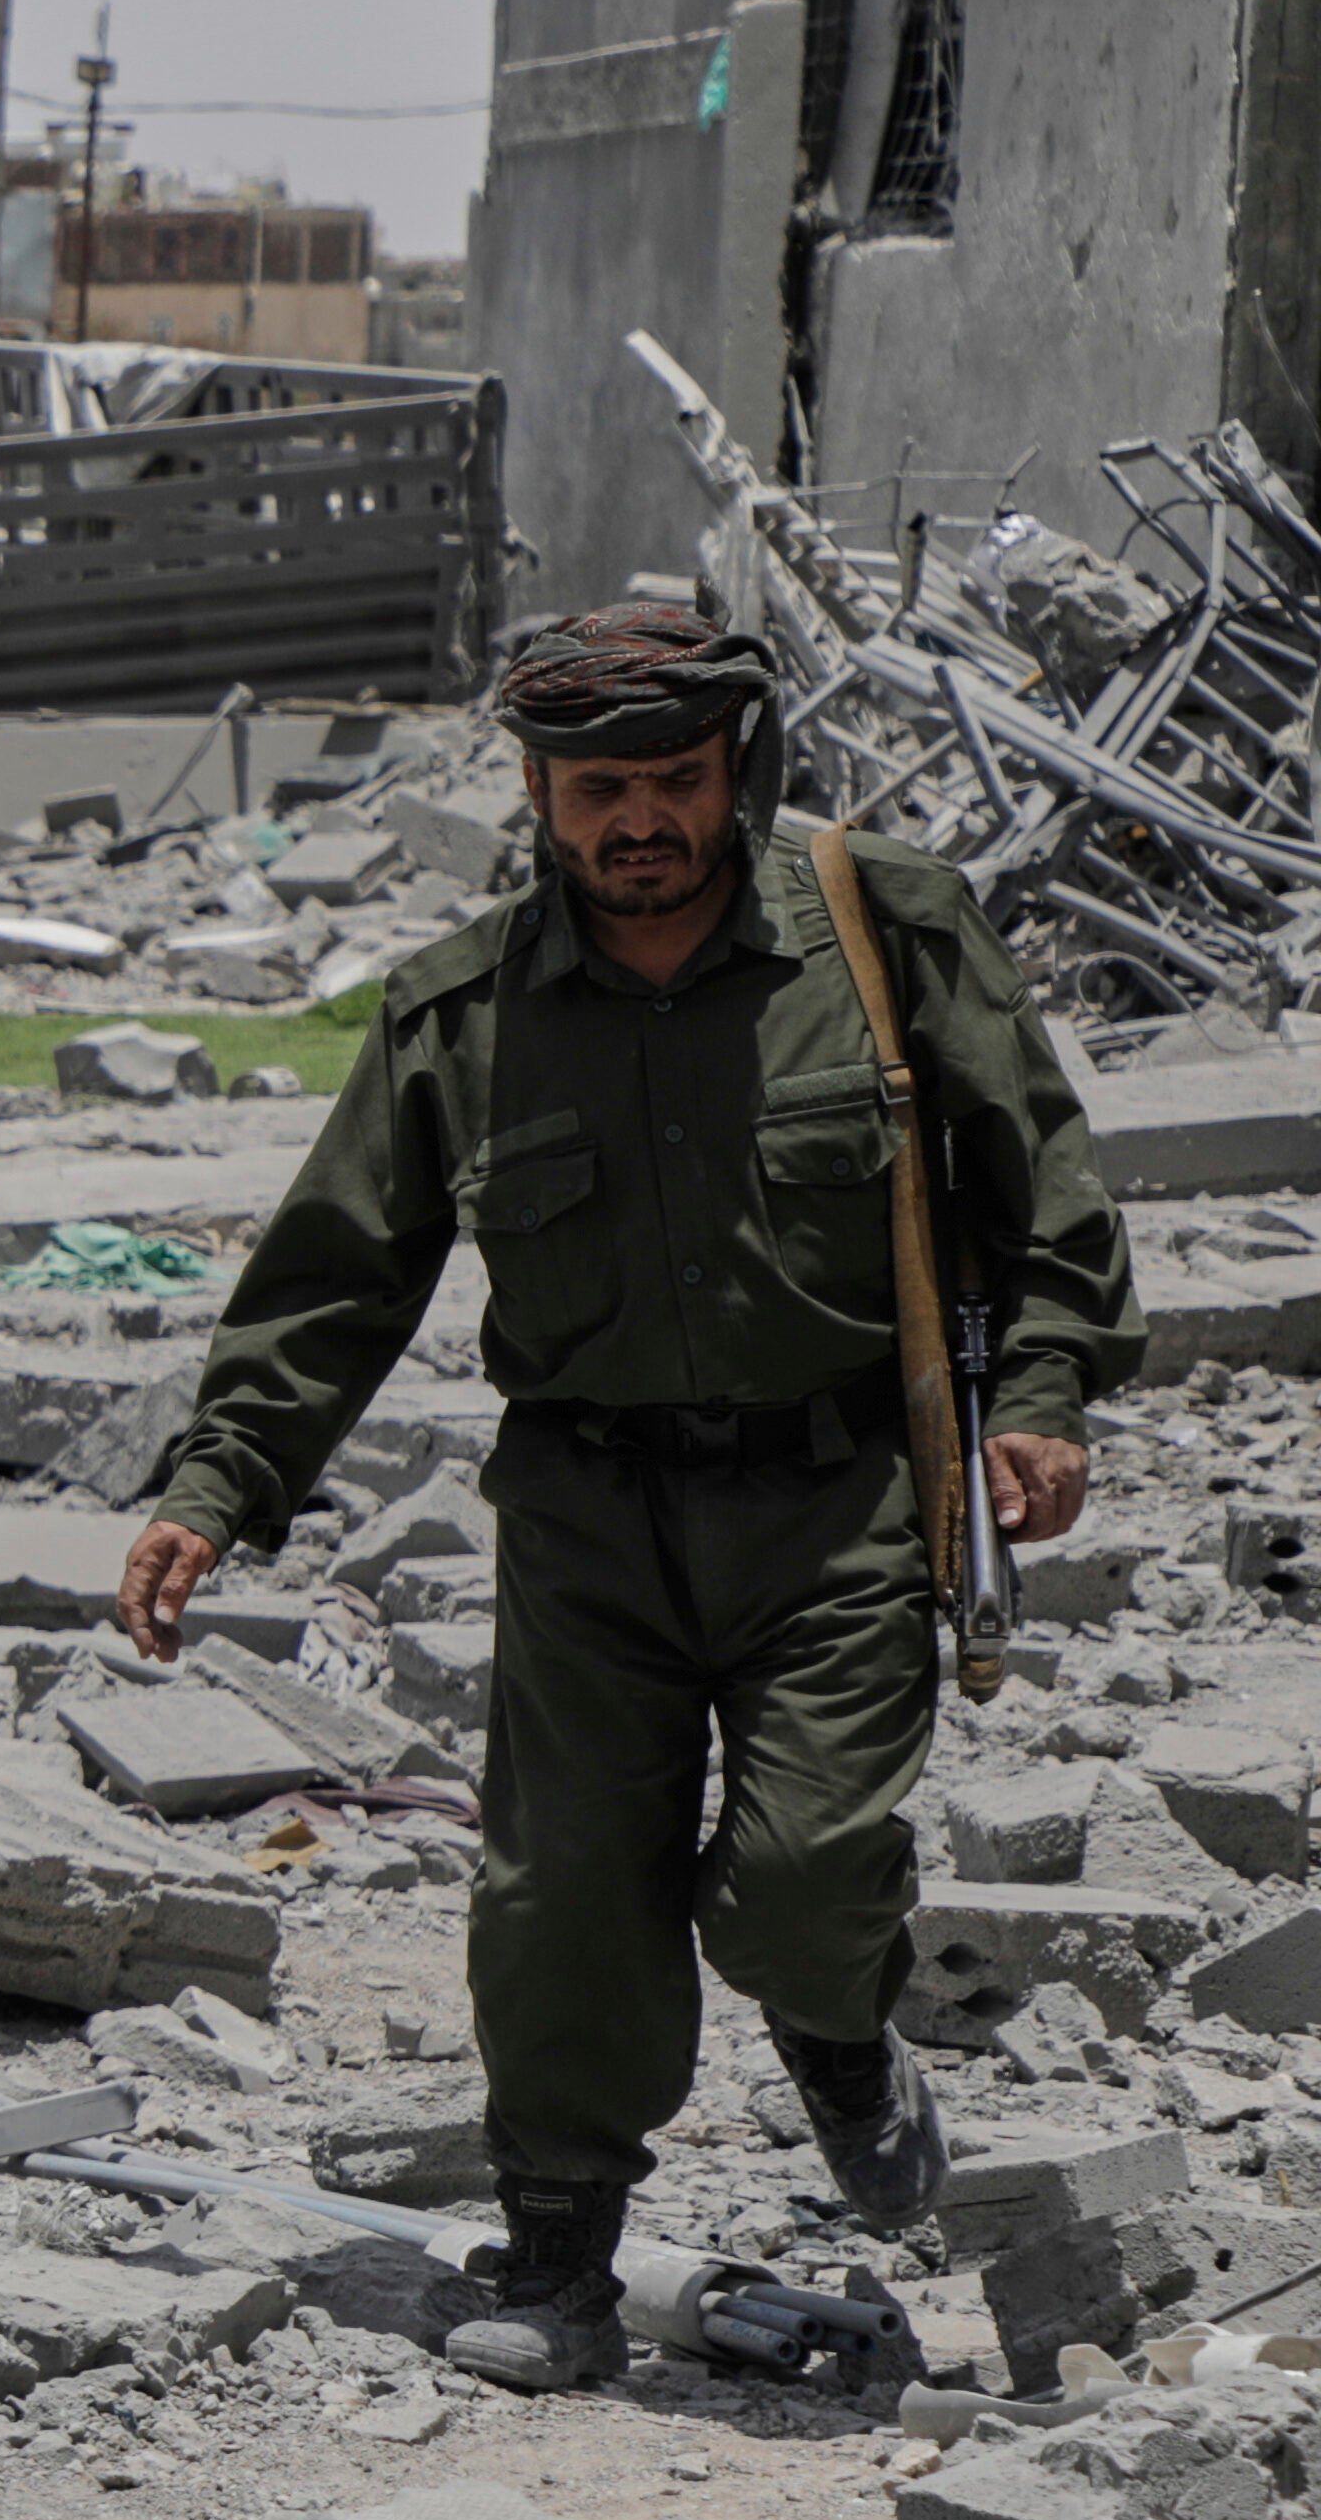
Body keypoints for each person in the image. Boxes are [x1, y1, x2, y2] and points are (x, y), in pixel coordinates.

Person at [121, 596, 1139, 2386]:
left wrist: (1043, 1392)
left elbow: (1041, 1179)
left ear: (737, 766)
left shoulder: (886, 932)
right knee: (561, 1898)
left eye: (674, 778)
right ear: (535, 790)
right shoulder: (463, 1012)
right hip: (587, 1523)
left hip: (840, 1507)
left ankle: (840, 2034)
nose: (638, 821)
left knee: (809, 1875)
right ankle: (558, 2263)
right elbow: (341, 1273)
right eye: (599, 790)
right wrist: (219, 1485)